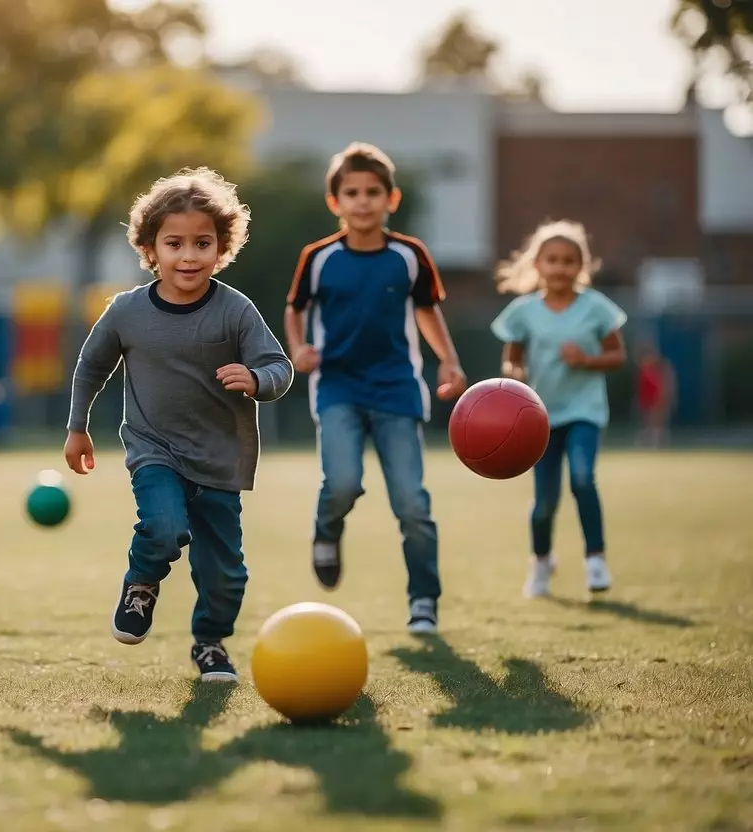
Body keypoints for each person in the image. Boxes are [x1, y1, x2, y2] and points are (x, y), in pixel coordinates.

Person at [64, 167, 293, 682]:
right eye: (174, 243)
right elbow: (90, 367)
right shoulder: (126, 311)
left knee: (225, 576)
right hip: (155, 451)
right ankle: (142, 581)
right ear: (150, 248)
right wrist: (78, 426)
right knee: (163, 529)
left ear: (221, 247)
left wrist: (256, 379)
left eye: (202, 243)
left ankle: (209, 644)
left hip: (219, 460)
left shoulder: (236, 311)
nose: (189, 256)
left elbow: (281, 368)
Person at [284, 142, 467, 635]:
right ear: (334, 202)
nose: (362, 201)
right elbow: (295, 309)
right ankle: (327, 529)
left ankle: (424, 601)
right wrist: (298, 348)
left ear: (392, 198)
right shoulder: (318, 258)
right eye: (352, 193)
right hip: (337, 388)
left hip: (397, 390)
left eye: (372, 192)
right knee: (342, 482)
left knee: (411, 502)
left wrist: (448, 359)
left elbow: (427, 311)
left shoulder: (410, 257)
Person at [490, 219, 627, 598]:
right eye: (552, 260)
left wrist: (585, 359)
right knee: (545, 501)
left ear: (580, 266)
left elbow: (617, 355)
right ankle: (541, 562)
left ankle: (596, 559)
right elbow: (511, 361)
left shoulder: (596, 308)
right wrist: (514, 374)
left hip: (584, 411)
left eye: (569, 261)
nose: (560, 268)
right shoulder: (523, 312)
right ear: (538, 265)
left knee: (583, 479)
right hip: (539, 418)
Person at [635, 342, 675, 448]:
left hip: (656, 399)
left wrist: (662, 398)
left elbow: (663, 387)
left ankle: (657, 440)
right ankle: (649, 439)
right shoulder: (644, 372)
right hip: (647, 400)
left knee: (656, 420)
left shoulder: (659, 371)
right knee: (648, 420)